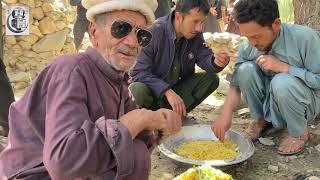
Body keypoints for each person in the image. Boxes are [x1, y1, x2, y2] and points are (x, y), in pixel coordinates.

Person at [0, 0, 183, 179]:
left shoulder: (119, 82)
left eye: (142, 35)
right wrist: (138, 119)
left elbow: (132, 137)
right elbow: (63, 164)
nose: (133, 42)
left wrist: (157, 126)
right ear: (94, 32)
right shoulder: (71, 70)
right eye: (121, 28)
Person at [211, 0, 320, 155]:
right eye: (247, 37)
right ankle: (262, 120)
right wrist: (225, 115)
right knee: (245, 70)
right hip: (271, 99)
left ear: (276, 24)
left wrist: (285, 68)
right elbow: (235, 84)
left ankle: (298, 132)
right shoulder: (249, 44)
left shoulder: (306, 38)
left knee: (282, 81)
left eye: (256, 36)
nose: (252, 43)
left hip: (305, 102)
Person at [129, 0, 230, 118]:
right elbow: (138, 72)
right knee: (137, 90)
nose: (199, 28)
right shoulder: (153, 31)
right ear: (178, 17)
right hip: (152, 93)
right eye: (195, 21)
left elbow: (204, 57)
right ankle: (146, 119)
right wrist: (166, 90)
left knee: (211, 79)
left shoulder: (195, 35)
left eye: (202, 22)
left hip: (176, 92)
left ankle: (175, 115)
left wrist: (216, 62)